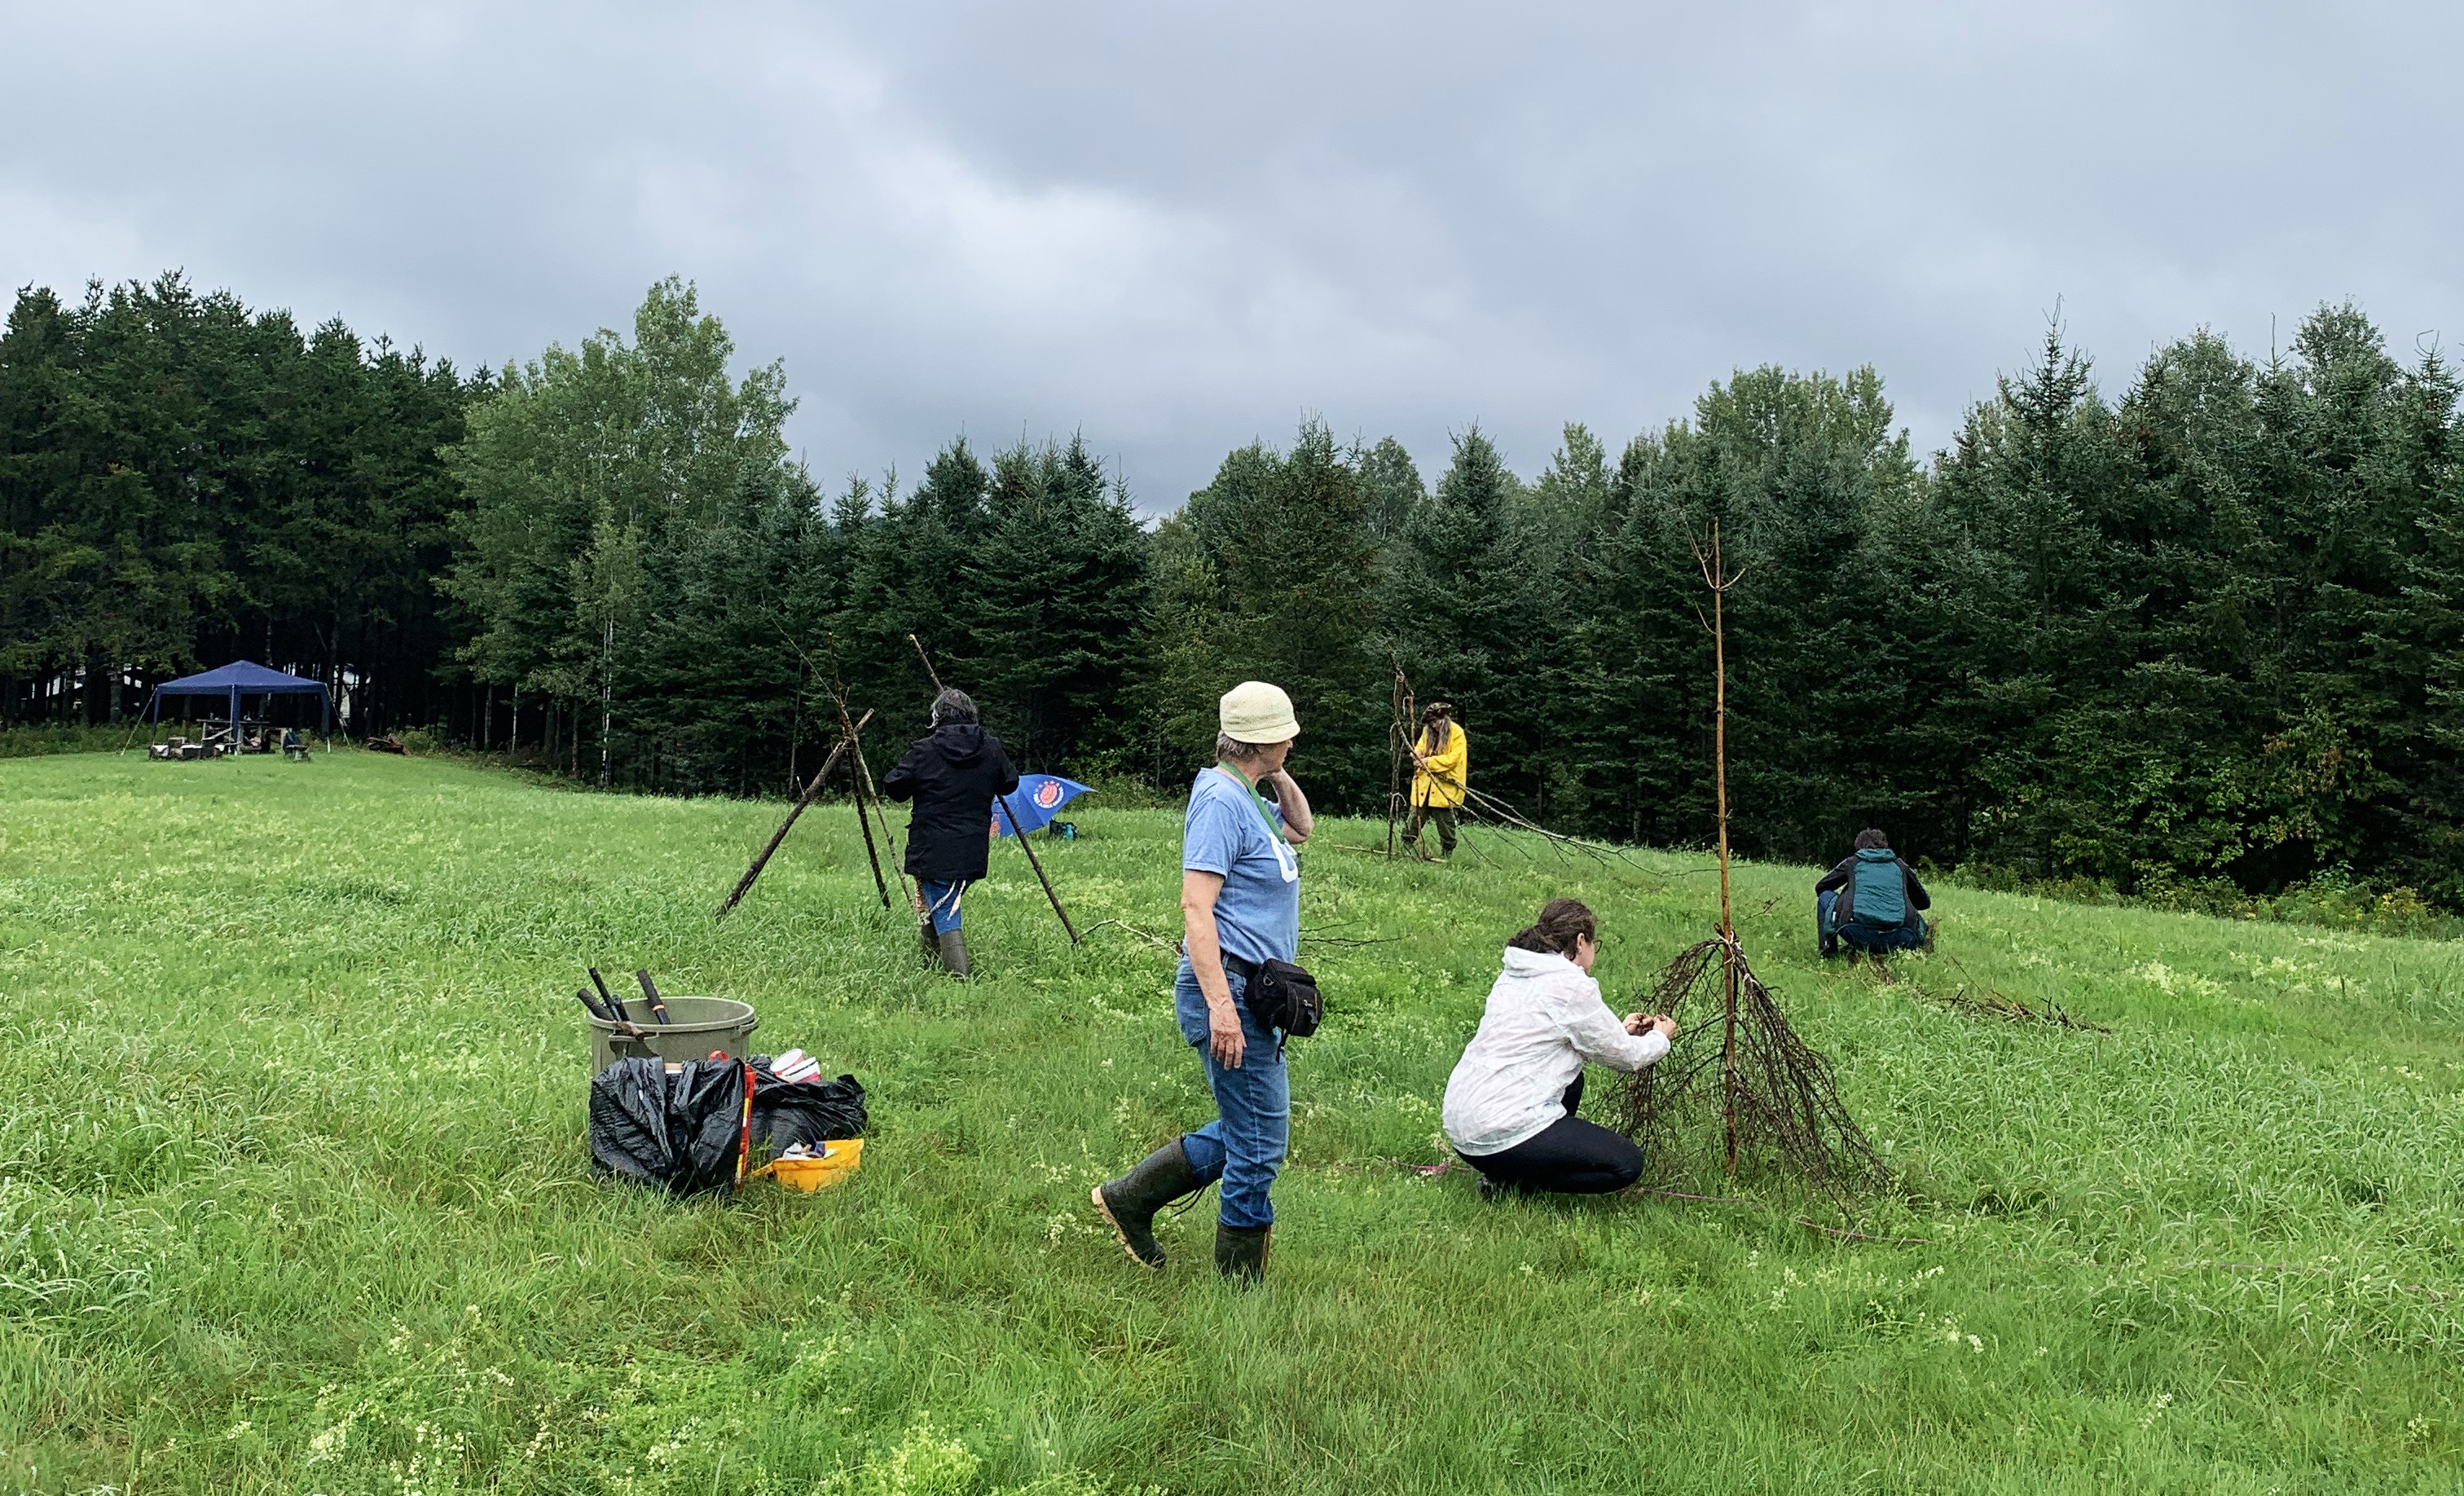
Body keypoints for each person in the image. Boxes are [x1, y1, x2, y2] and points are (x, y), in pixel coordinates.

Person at [1094, 680, 1313, 1284]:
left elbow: (1300, 829)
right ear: (1261, 739)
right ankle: (1239, 1290)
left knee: (1254, 1129)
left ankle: (1131, 1197)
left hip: (1254, 993)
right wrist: (1221, 1005)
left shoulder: (1244, 792)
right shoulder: (1219, 799)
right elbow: (1196, 909)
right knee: (1260, 1146)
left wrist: (1272, 774)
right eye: (1284, 733)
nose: (1293, 739)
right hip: (1231, 994)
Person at [1441, 899, 1673, 1198]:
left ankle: (1507, 1172)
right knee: (1626, 1164)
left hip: (1463, 1123)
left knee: (1573, 1080)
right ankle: (1512, 1184)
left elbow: (1558, 1037)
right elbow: (1626, 1057)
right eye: (1594, 943)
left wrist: (1619, 1030)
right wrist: (1661, 1038)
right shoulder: (1569, 984)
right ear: (1580, 942)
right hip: (1501, 1129)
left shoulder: (1519, 972)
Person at [880, 688, 1019, 977]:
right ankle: (928, 967)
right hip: (972, 848)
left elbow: (894, 787)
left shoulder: (924, 750)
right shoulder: (990, 747)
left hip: (932, 846)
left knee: (945, 908)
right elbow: (1010, 783)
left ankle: (959, 981)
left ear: (936, 717)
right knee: (940, 901)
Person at [1815, 828, 1931, 958]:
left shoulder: (1852, 863)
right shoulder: (1901, 866)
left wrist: (1846, 893)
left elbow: (1821, 887)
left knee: (1825, 897)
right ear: (1885, 845)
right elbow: (1923, 903)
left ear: (1859, 846)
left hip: (1856, 932)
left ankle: (1829, 950)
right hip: (1902, 936)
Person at [1403, 701, 1467, 860]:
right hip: (1424, 785)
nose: (1433, 726)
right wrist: (1416, 754)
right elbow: (1420, 747)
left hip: (1444, 787)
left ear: (1443, 719)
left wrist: (1429, 762)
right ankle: (1406, 848)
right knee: (1414, 819)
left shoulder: (1457, 733)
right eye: (1430, 723)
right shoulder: (1427, 732)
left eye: (1435, 722)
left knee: (1446, 824)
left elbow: (1453, 759)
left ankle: (1447, 854)